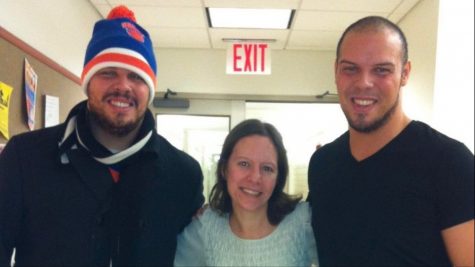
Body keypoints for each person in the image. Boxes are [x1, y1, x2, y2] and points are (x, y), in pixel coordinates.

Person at [0, 5, 204, 266]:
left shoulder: (183, 175)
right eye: (108, 73)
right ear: (87, 82)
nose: (123, 86)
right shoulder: (25, 157)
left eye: (136, 76)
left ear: (149, 89)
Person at [307, 16, 474, 266]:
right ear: (336, 72)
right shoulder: (323, 165)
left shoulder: (449, 162)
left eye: (381, 70)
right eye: (350, 68)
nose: (363, 82)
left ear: (404, 73)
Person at [174, 119, 318, 266]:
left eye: (267, 168)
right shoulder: (206, 228)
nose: (255, 177)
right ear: (224, 169)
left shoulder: (303, 222)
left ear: (278, 177)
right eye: (244, 164)